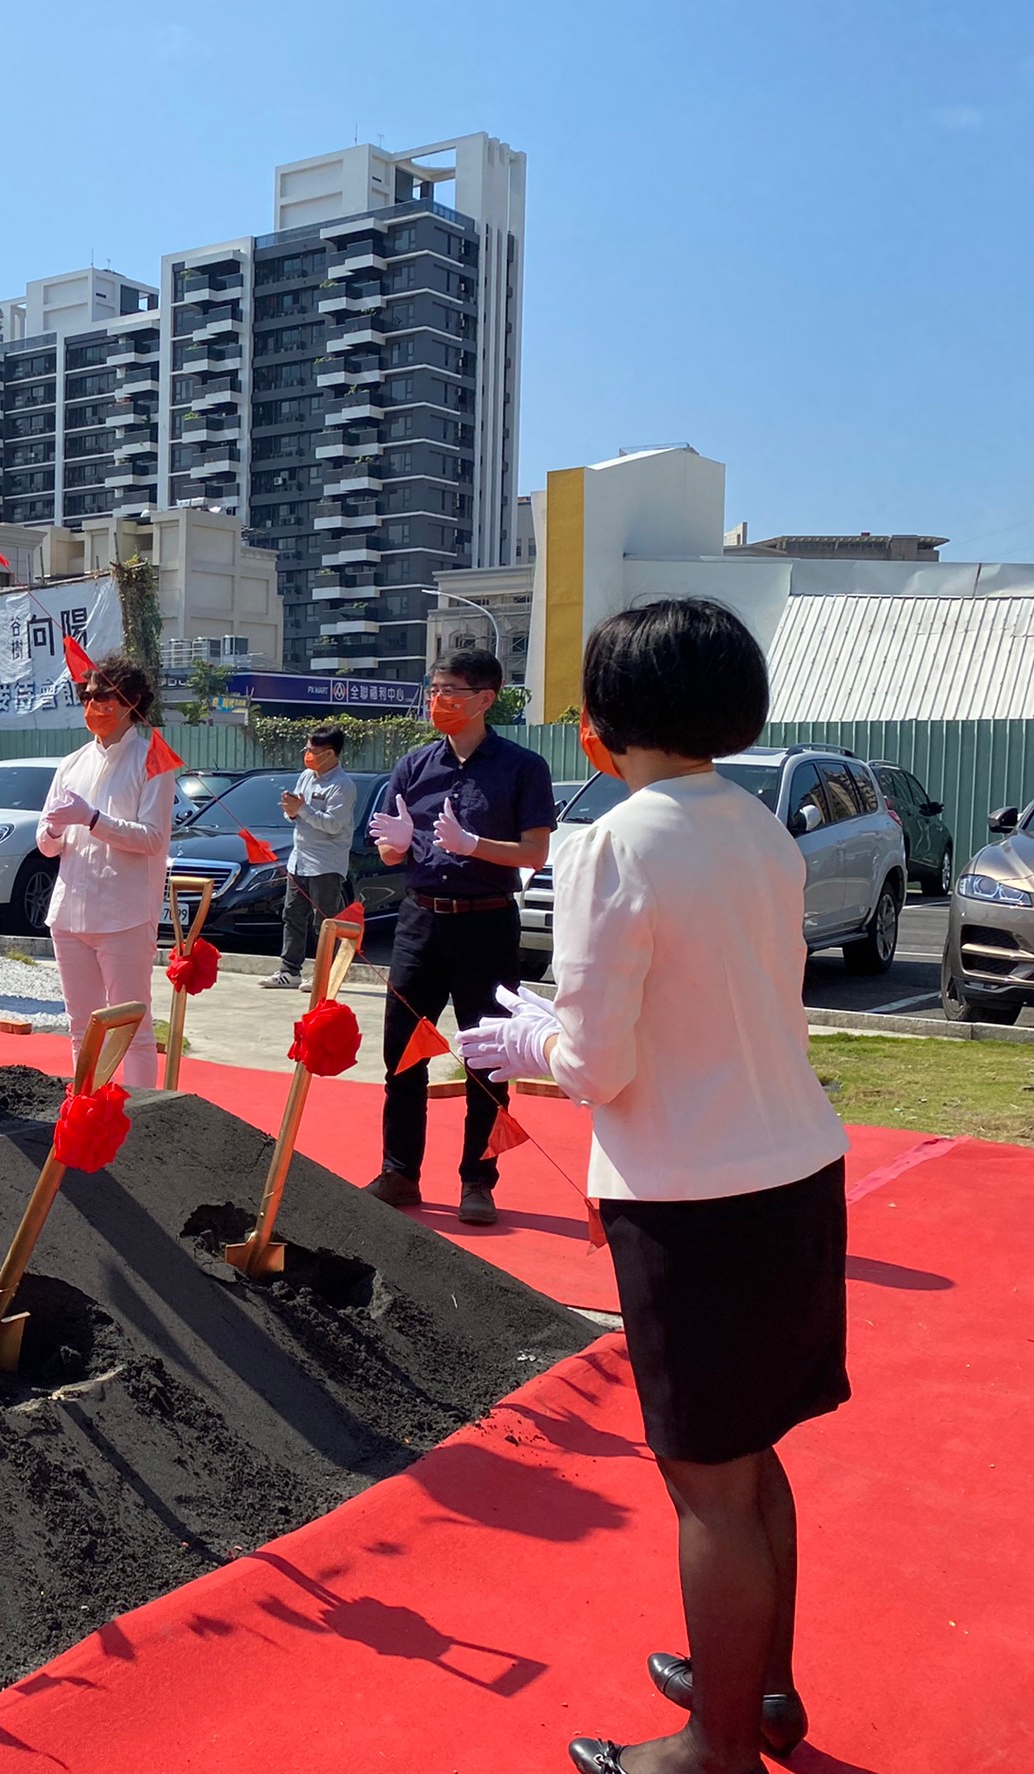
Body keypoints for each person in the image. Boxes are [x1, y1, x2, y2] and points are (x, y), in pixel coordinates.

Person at [458, 600, 847, 1774]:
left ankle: (716, 1745)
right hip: (795, 1165)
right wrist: (563, 1025)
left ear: (600, 722)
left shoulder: (614, 840)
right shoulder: (765, 829)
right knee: (753, 1456)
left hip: (692, 1195)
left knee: (708, 1484)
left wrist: (534, 1037)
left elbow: (598, 1064)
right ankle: (760, 1686)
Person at [364, 648, 556, 1227]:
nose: (438, 700)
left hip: (486, 922)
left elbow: (535, 852)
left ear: (485, 699)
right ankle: (400, 1171)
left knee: (487, 1057)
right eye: (434, 689)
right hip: (421, 921)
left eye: (450, 690)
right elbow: (388, 851)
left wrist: (474, 846)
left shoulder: (522, 767)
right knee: (402, 1051)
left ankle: (478, 1181)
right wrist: (397, 843)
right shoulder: (415, 765)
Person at [34, 656, 175, 1091]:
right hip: (70, 910)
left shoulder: (153, 758)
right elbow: (45, 842)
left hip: (124, 914)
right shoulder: (72, 762)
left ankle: (140, 1114)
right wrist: (54, 830)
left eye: (103, 697)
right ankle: (87, 1108)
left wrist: (93, 819)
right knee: (81, 1026)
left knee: (132, 1028)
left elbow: (153, 838)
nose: (93, 705)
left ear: (131, 702)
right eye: (87, 696)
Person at [264, 723, 356, 991]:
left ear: (330, 753)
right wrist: (292, 810)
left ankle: (324, 974)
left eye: (313, 751)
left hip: (326, 863)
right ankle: (289, 970)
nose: (308, 755)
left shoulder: (343, 785)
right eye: (307, 749)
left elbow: (333, 825)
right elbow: (295, 813)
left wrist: (302, 809)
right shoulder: (306, 776)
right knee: (292, 914)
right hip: (299, 859)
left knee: (324, 921)